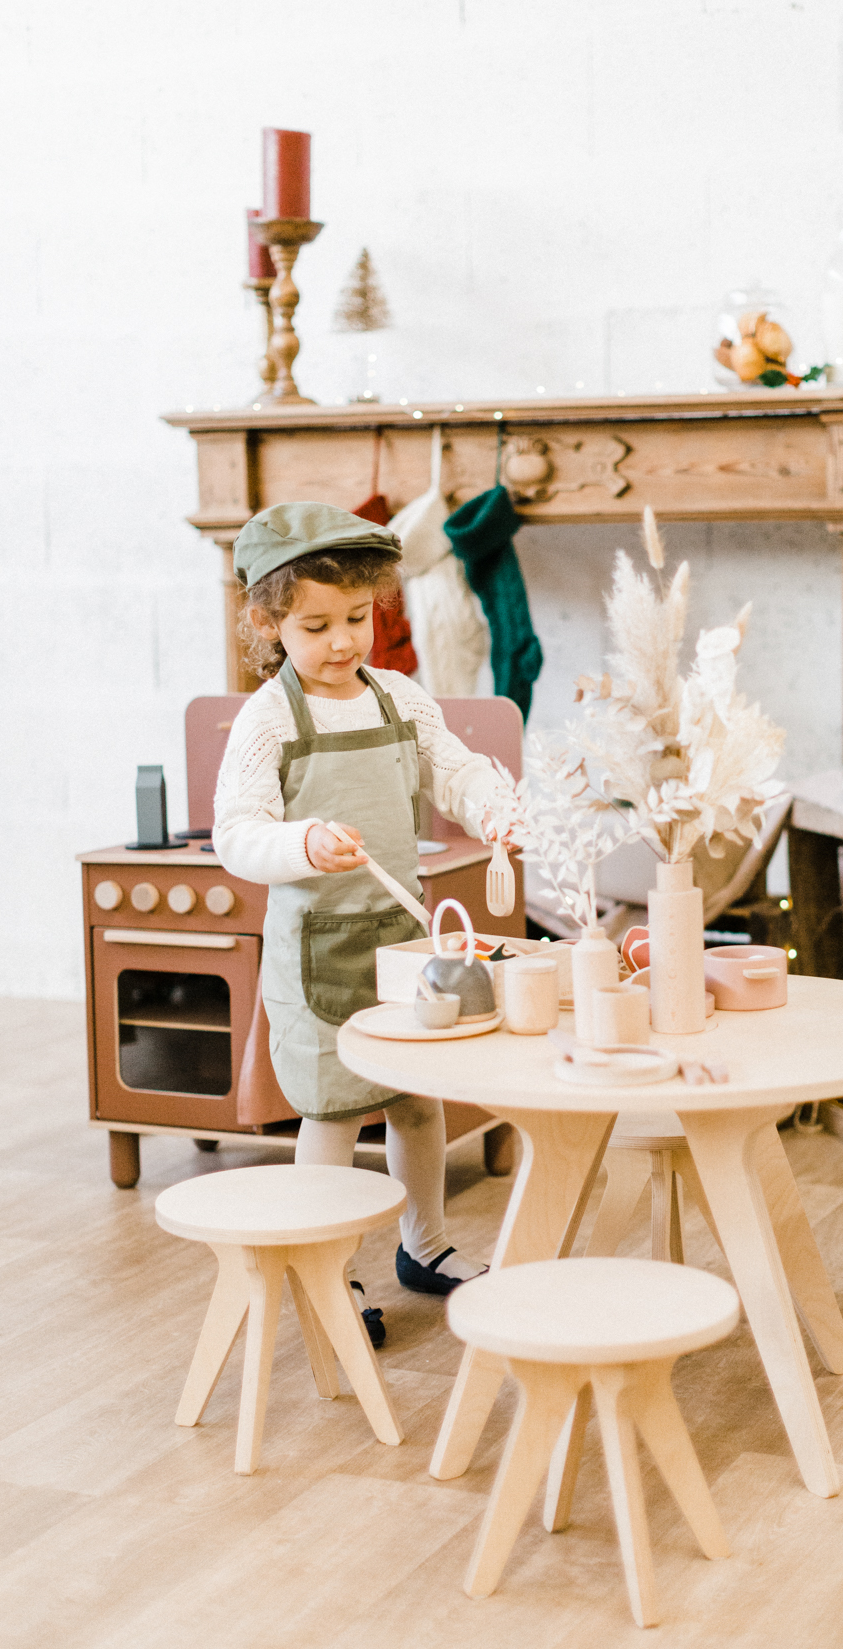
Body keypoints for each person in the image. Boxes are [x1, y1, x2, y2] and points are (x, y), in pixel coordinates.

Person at [213, 501, 514, 1341]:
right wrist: (303, 842)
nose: (343, 641)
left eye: (357, 619)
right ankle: (329, 1270)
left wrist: (494, 808)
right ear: (269, 623)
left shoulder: (399, 698)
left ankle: (427, 1245)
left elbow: (454, 771)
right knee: (335, 1108)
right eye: (316, 626)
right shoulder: (268, 718)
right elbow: (237, 834)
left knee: (416, 1103)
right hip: (317, 951)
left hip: (400, 942)